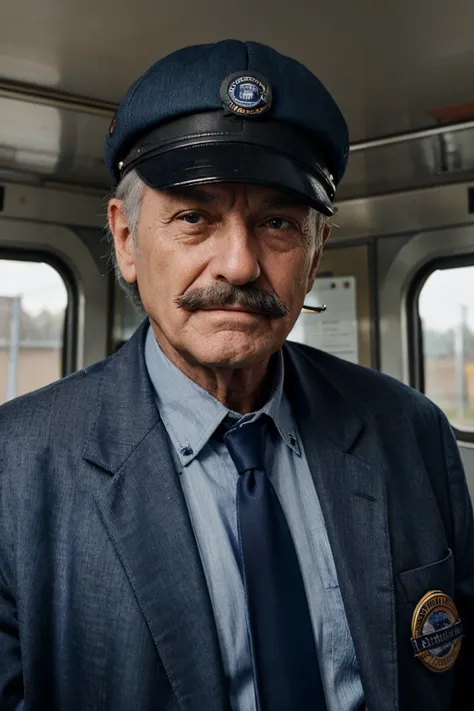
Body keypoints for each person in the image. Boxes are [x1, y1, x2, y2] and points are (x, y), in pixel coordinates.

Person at [0, 39, 472, 711]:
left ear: (314, 254)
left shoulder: (410, 429)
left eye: (277, 222)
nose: (240, 265)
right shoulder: (16, 469)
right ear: (127, 240)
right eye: (195, 217)